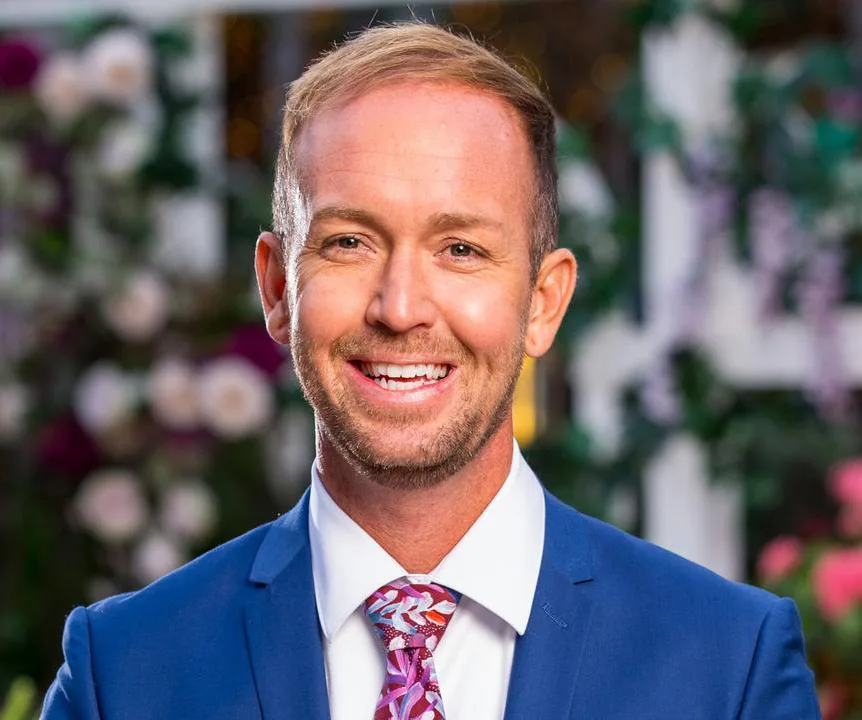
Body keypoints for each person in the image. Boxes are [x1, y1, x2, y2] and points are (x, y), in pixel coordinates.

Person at [43, 22, 820, 720]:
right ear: (279, 289)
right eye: (349, 241)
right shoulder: (124, 674)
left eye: (461, 250)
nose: (402, 307)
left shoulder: (730, 667)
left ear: (544, 302)